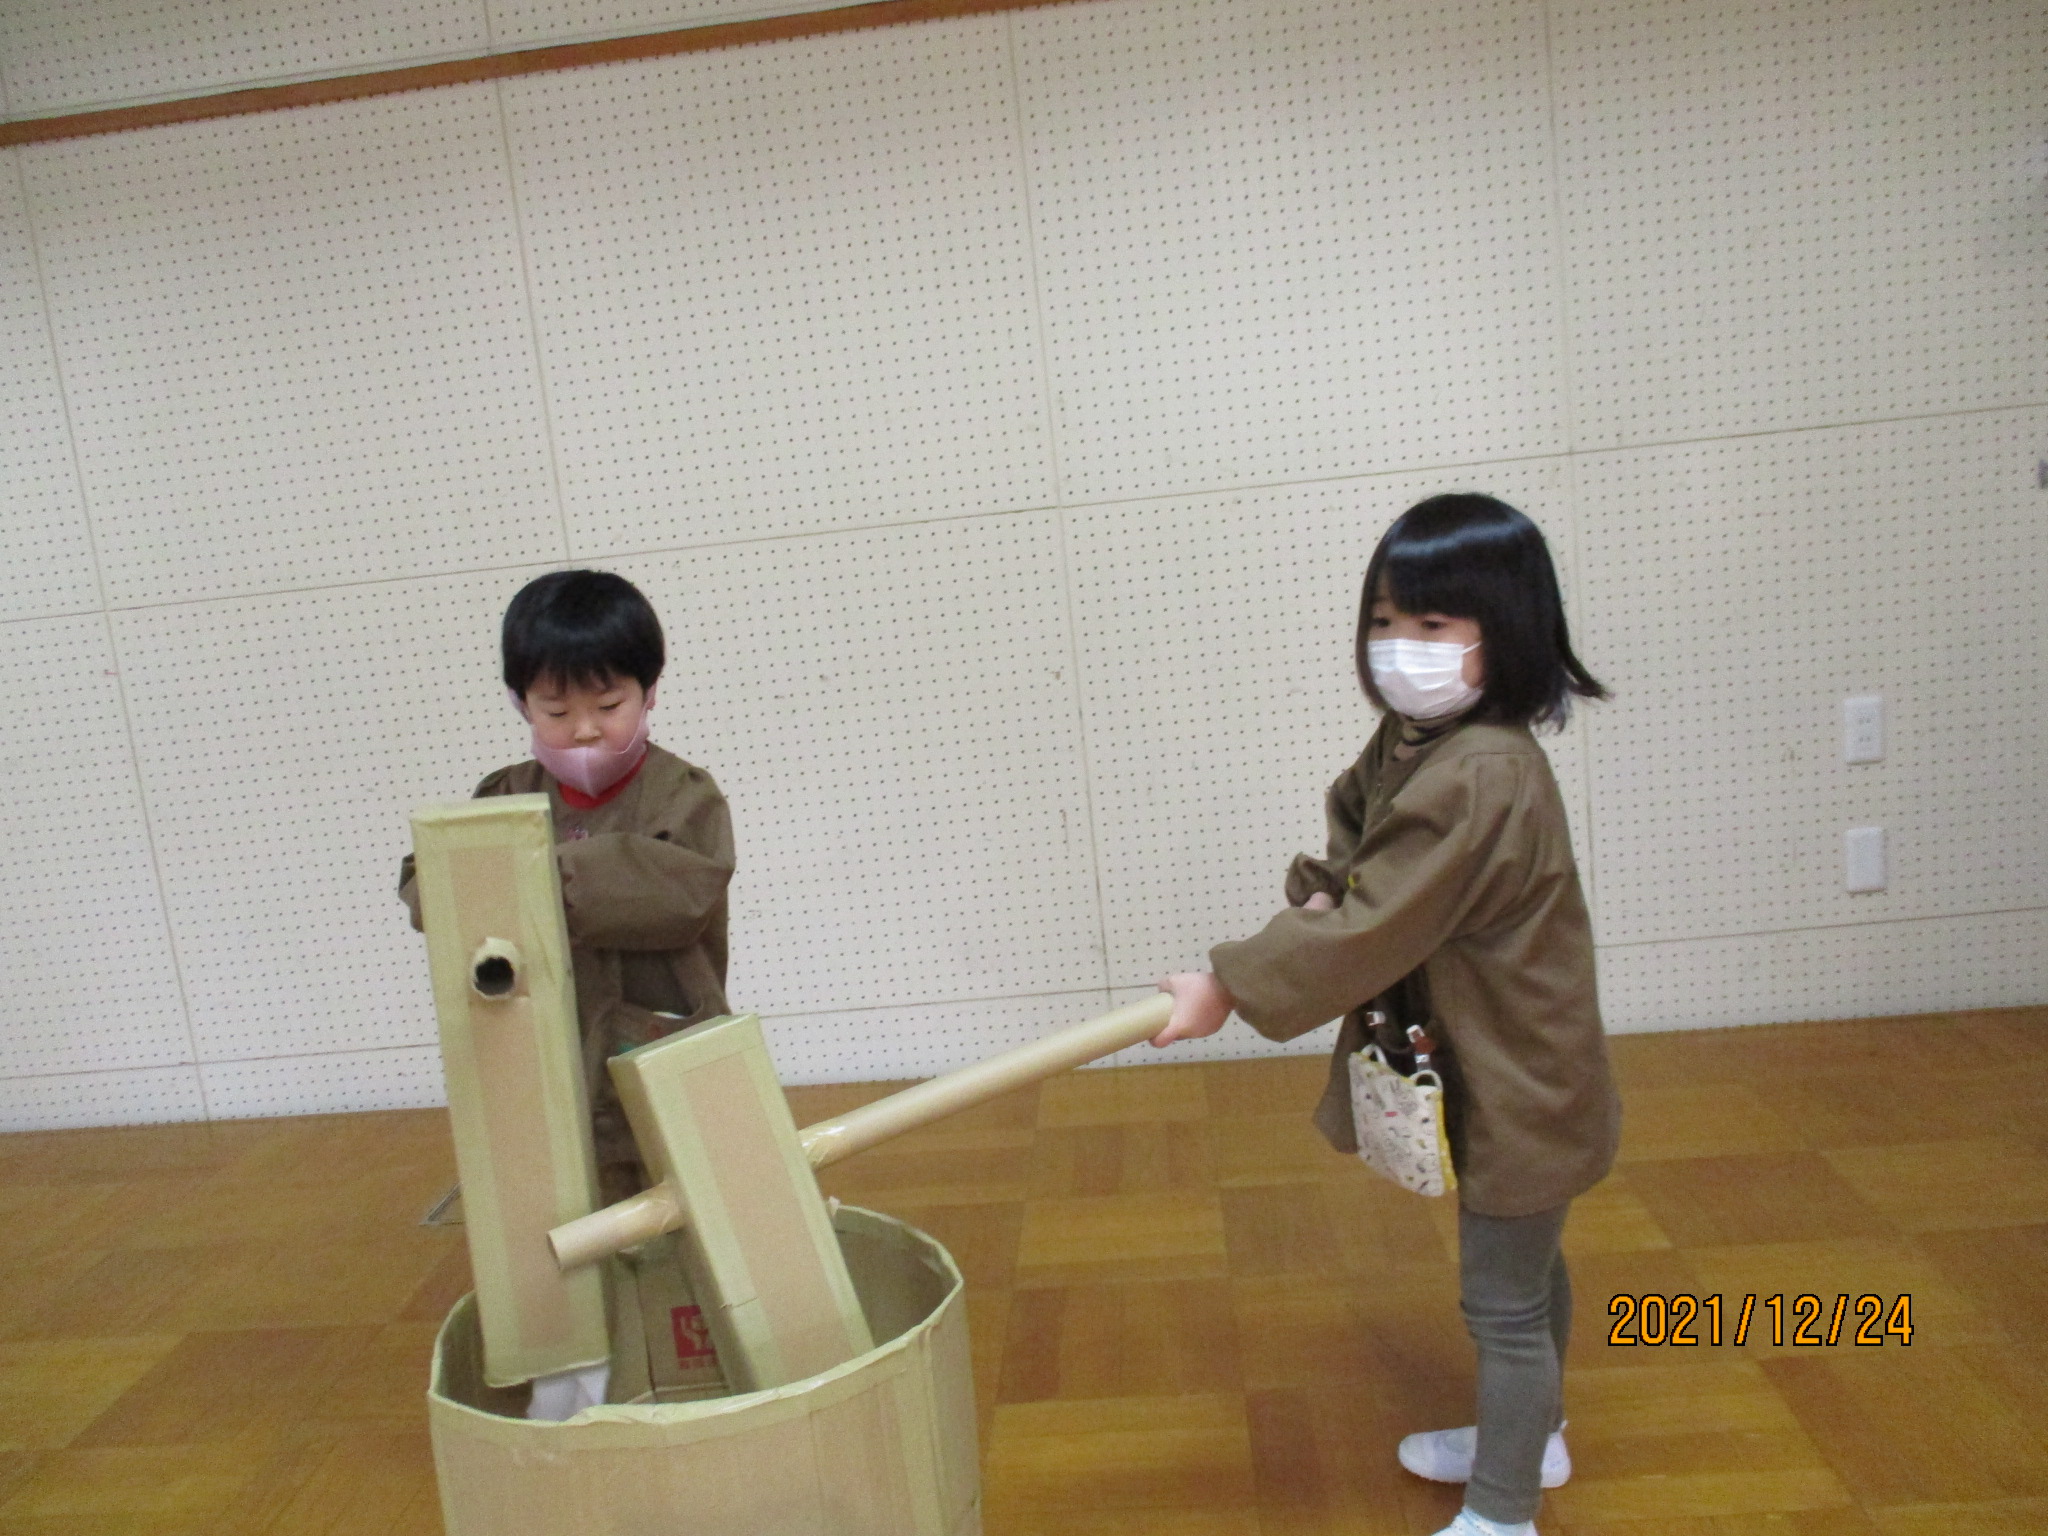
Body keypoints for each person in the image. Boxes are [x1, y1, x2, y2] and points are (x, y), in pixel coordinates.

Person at [1152, 493, 1620, 1536]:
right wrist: (1321, 890)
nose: (1398, 646)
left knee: (1503, 1300)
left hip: (1525, 1080)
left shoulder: (1482, 772)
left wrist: (1228, 985)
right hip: (1496, 1063)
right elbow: (1361, 843)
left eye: (1431, 624)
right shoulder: (1418, 737)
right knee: (1527, 1267)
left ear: (1507, 631)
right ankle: (1532, 1437)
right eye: (1383, 620)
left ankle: (1503, 1511)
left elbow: (1377, 922)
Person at [400, 569, 735, 1206]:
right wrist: (466, 882)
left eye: (608, 707)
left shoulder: (684, 795)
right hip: (541, 1057)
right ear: (520, 703)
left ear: (649, 692)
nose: (584, 730)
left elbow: (680, 895)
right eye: (557, 711)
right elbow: (435, 885)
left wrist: (532, 873)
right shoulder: (503, 797)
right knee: (557, 1200)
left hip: (654, 1046)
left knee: (681, 1196)